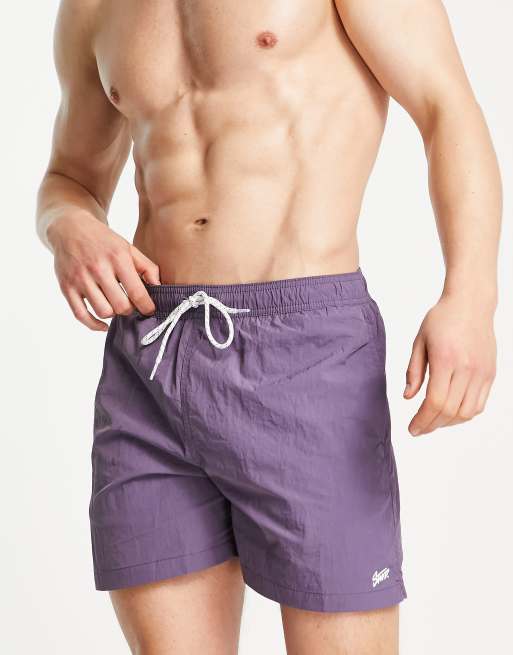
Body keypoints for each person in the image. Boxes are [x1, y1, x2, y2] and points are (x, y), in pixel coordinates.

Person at [36, 1, 501, 653]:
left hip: (307, 351)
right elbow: (70, 177)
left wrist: (470, 296)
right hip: (149, 358)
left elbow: (444, 104)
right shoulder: (90, 7)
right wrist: (67, 225)